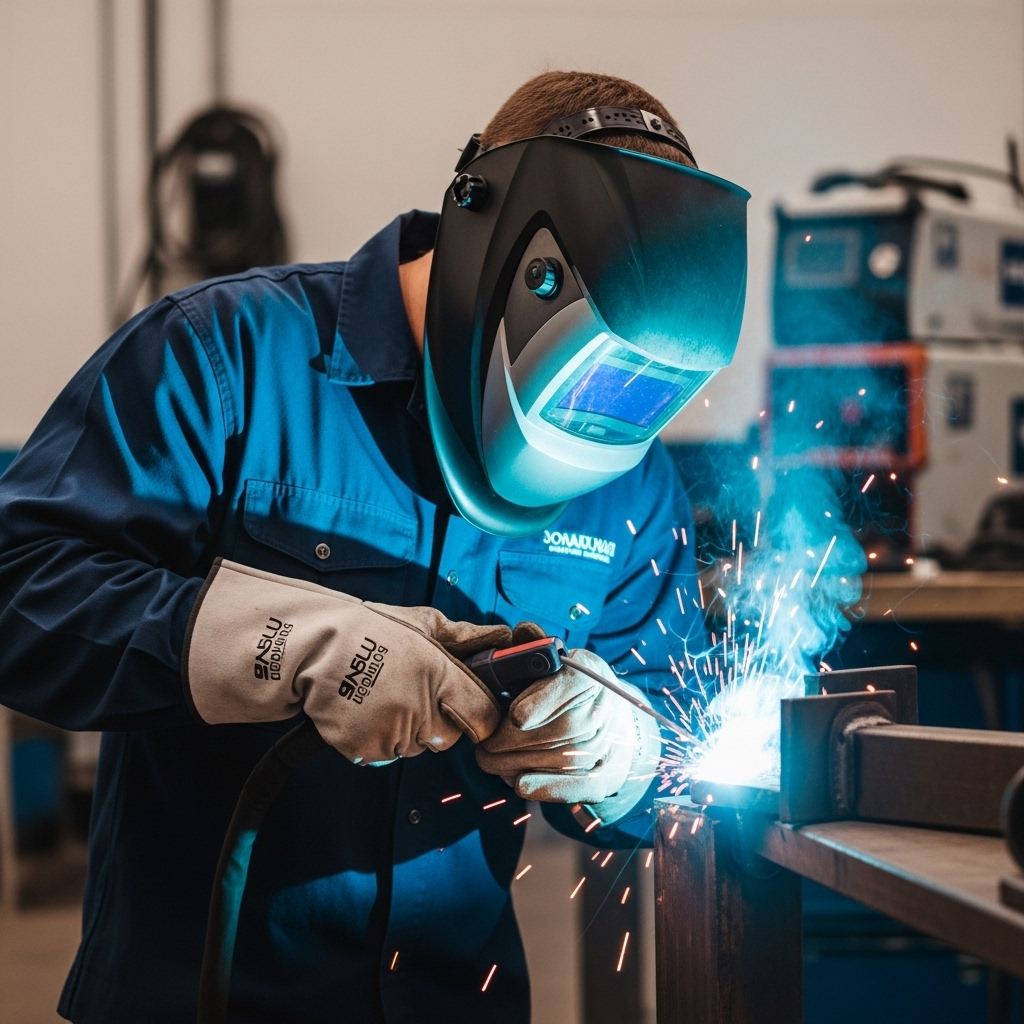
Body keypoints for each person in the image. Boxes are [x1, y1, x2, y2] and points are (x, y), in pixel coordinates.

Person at [0, 71, 746, 1023]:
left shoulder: (631, 482)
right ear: (495, 235)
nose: (599, 414)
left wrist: (626, 754)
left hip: (458, 998)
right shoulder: (225, 358)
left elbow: (684, 739)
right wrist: (275, 646)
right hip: (201, 995)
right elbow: (19, 587)